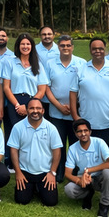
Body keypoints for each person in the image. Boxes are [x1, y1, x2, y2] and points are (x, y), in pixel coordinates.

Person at [7, 98, 63, 207]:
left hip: (45, 172)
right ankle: (33, 188)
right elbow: (13, 150)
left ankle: (38, 188)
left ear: (43, 111)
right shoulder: (18, 127)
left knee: (50, 202)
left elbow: (57, 151)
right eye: (31, 108)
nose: (35, 111)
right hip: (25, 172)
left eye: (38, 108)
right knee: (21, 200)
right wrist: (18, 172)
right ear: (27, 110)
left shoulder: (51, 128)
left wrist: (52, 173)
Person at [45, 35, 83, 174]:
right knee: (58, 144)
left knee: (75, 143)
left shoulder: (81, 63)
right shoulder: (50, 64)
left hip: (76, 112)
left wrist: (74, 105)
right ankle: (59, 171)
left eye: (68, 45)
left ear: (72, 47)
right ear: (58, 47)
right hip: (56, 112)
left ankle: (74, 171)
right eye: (62, 46)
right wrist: (59, 106)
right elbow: (46, 87)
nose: (65, 48)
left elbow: (84, 87)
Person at [2, 34, 50, 142]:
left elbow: (42, 90)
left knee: (30, 135)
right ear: (18, 46)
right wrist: (17, 105)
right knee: (13, 135)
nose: (25, 46)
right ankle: (10, 158)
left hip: (33, 103)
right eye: (22, 44)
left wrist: (28, 106)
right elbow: (6, 87)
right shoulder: (10, 62)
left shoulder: (37, 65)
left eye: (28, 44)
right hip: (14, 103)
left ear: (32, 46)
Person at [64, 118, 109, 217]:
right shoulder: (72, 148)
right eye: (79, 131)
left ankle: (104, 205)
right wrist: (80, 181)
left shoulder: (99, 142)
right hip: (84, 178)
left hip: (100, 177)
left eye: (85, 130)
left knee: (108, 173)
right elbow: (67, 173)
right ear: (75, 133)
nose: (83, 134)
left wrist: (88, 170)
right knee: (69, 189)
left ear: (90, 131)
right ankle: (88, 194)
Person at [76, 38, 109, 143]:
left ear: (105, 49)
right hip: (87, 123)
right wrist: (76, 116)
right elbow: (73, 93)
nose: (97, 51)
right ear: (90, 50)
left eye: (100, 48)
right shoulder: (81, 69)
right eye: (94, 49)